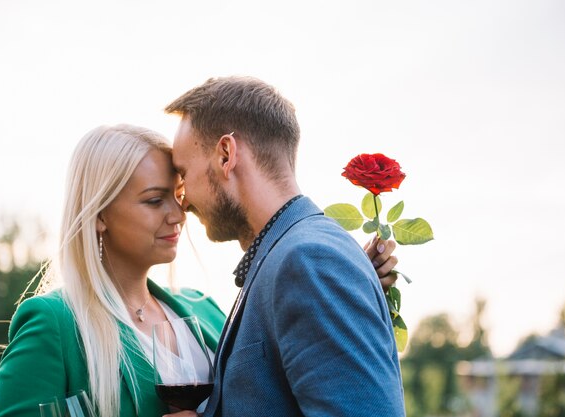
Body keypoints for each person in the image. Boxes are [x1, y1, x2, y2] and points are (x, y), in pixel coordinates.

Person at [0, 124, 398, 417]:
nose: (178, 214)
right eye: (154, 200)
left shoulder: (203, 311)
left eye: (178, 195)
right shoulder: (52, 324)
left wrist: (350, 278)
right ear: (99, 215)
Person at [164, 76, 406, 417]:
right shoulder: (285, 255)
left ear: (225, 155)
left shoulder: (309, 261)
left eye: (184, 173)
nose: (183, 200)